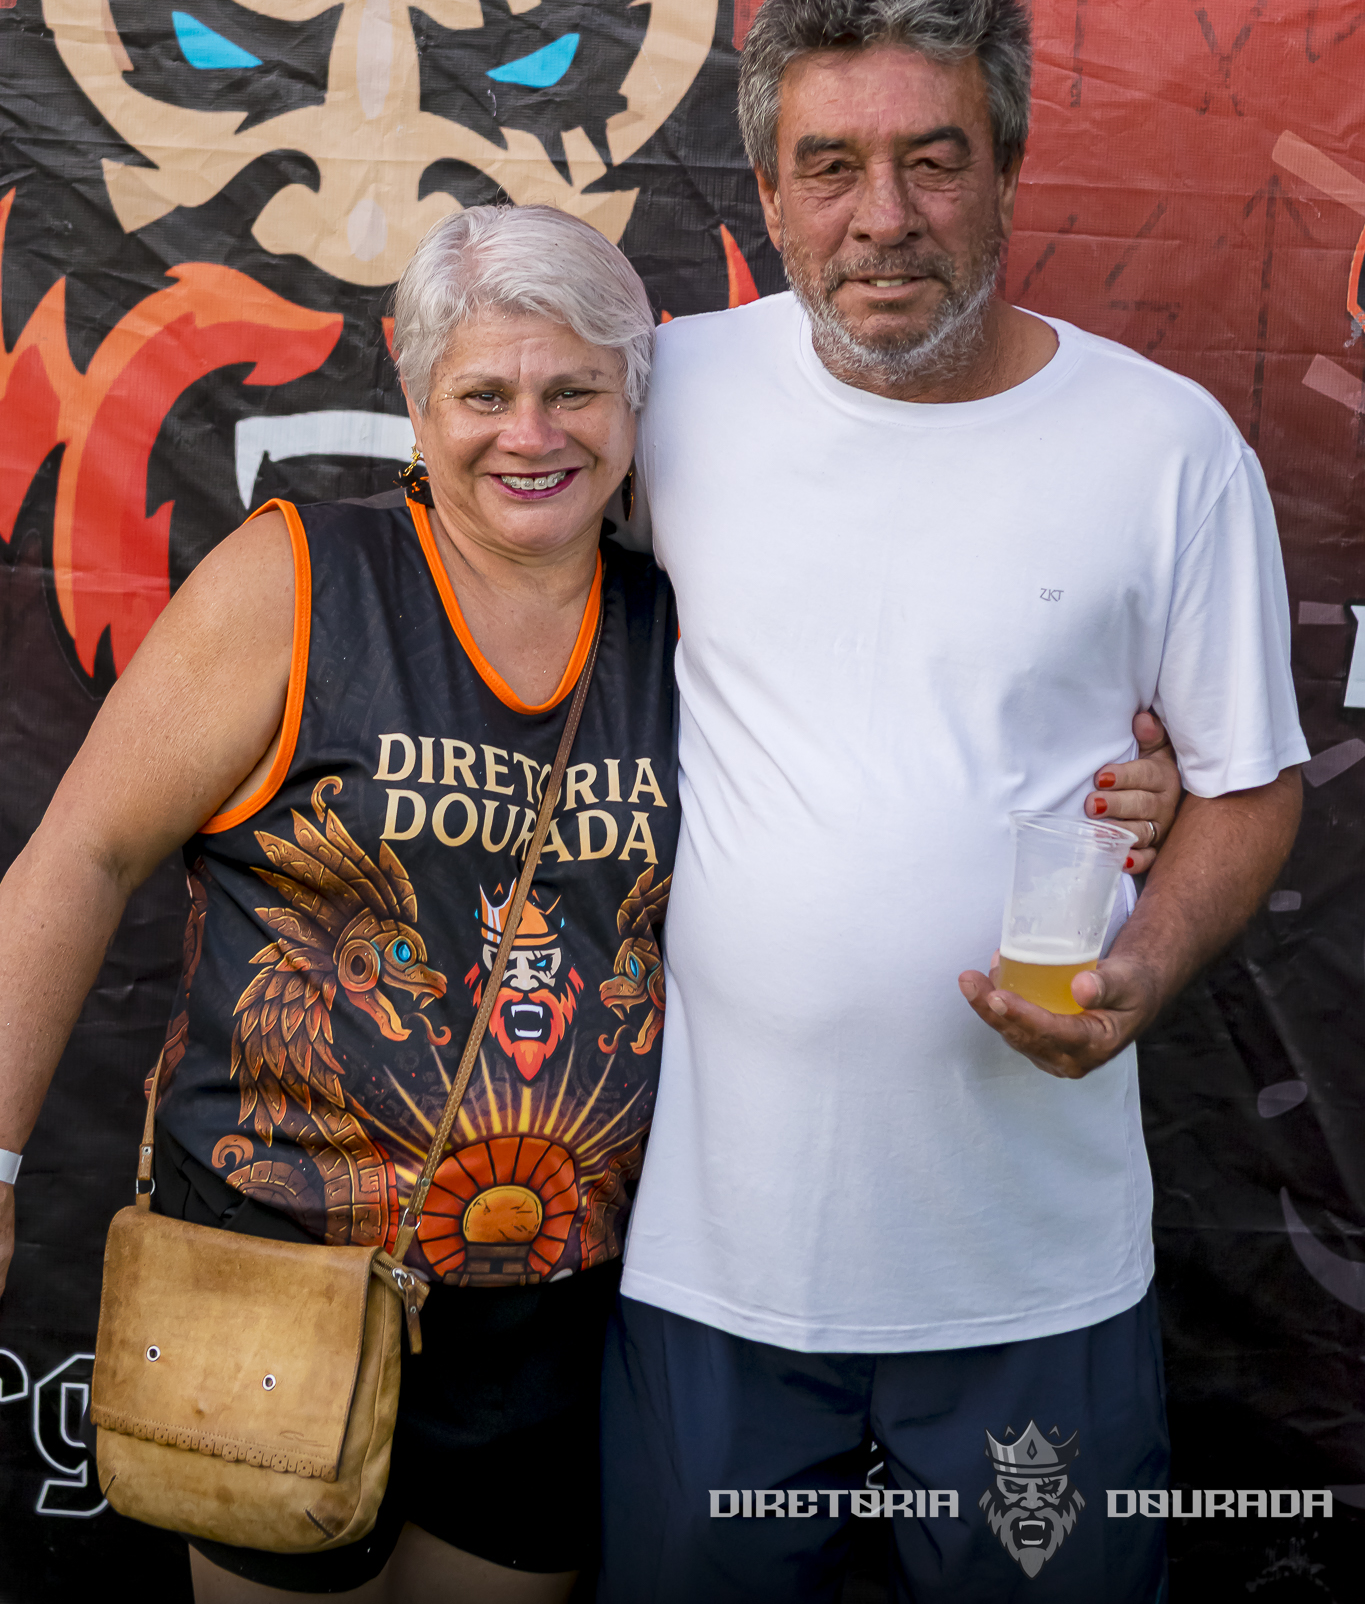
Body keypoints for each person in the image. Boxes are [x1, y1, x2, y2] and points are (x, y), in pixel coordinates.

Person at [0, 199, 1177, 1601]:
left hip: (550, 1307)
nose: (530, 434)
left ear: (635, 398)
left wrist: (1124, 786)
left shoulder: (690, 622)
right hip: (277, 1269)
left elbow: (909, 764)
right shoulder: (299, 580)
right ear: (414, 395)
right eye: (483, 395)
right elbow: (79, 857)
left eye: (574, 391)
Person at [597, 0, 1308, 1604]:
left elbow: (1247, 783)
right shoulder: (664, 395)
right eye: (830, 168)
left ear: (1004, 171)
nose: (883, 218)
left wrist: (1139, 969)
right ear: (767, 192)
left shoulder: (1164, 448)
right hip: (716, 1269)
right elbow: (483, 587)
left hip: (1027, 1273)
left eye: (932, 161)